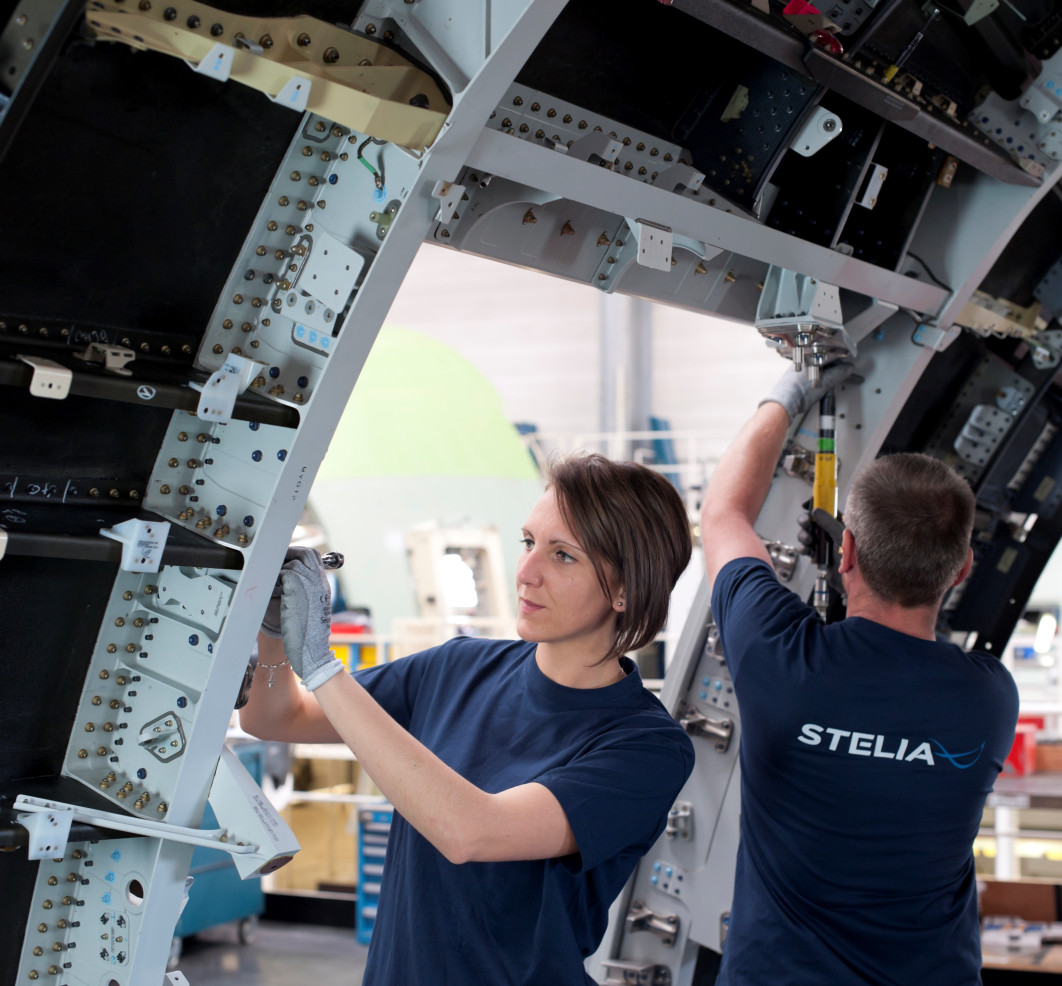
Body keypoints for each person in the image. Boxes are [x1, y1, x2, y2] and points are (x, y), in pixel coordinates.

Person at [240, 453, 696, 986]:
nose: (526, 573)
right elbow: (278, 718)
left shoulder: (645, 748)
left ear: (625, 590)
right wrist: (273, 630)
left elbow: (470, 833)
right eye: (528, 543)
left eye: (563, 556)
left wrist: (321, 666)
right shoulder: (458, 667)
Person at [700, 366, 1019, 986]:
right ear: (961, 571)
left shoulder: (780, 658)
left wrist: (787, 396)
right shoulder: (988, 698)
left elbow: (722, 514)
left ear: (844, 553)